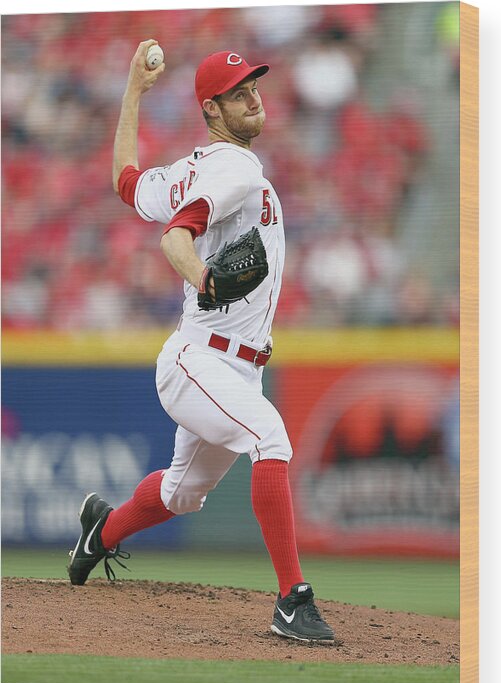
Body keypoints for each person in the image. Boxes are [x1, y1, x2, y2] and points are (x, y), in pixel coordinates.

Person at [67, 40, 334, 644]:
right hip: (198, 360)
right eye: (239, 94)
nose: (253, 99)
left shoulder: (191, 168)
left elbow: (125, 180)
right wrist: (203, 276)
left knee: (180, 495)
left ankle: (99, 532)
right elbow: (174, 239)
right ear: (211, 109)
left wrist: (133, 89)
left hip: (232, 368)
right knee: (270, 437)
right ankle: (292, 600)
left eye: (255, 88)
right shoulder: (235, 169)